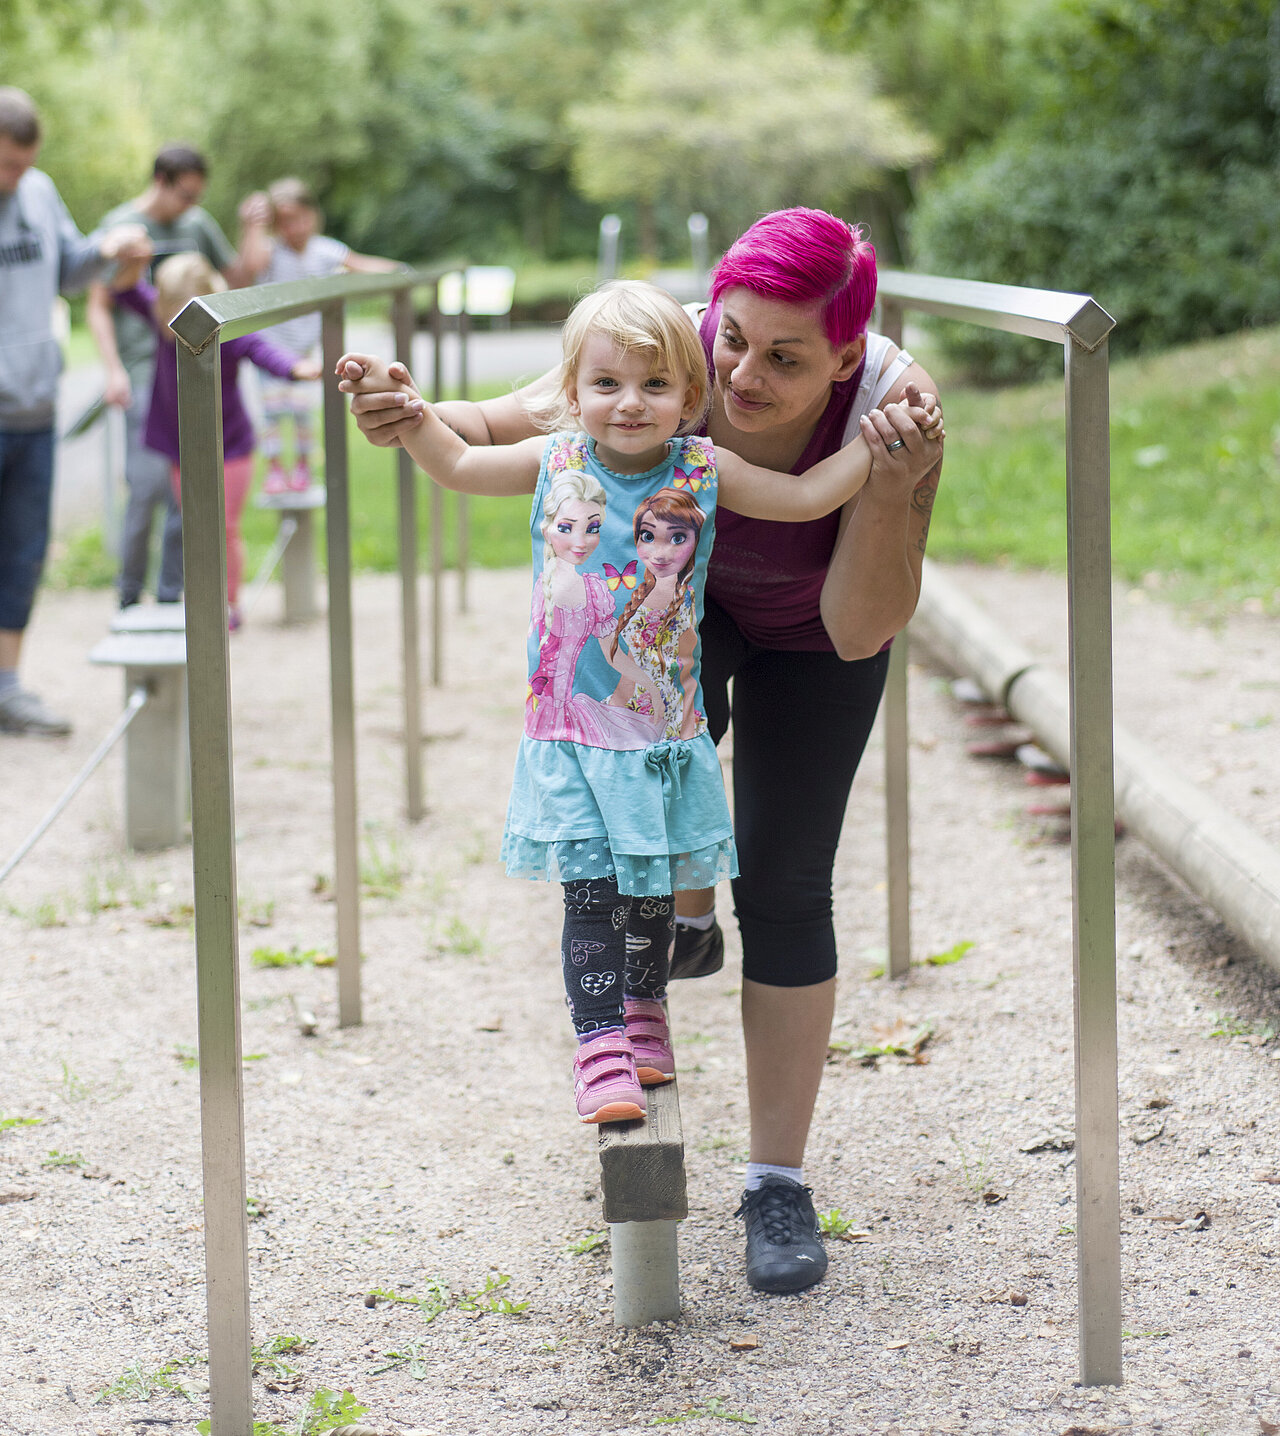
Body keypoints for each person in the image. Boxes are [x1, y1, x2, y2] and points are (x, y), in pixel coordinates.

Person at [341, 208, 945, 1294]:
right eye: (733, 341)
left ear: (846, 355)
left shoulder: (889, 411)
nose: (742, 374)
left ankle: (775, 1180)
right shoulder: (666, 352)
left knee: (788, 885)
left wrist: (892, 480)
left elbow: (859, 626)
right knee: (638, 780)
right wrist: (404, 410)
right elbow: (507, 421)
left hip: (819, 633)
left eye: (785, 359)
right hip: (669, 623)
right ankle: (676, 933)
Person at [0, 87, 152, 736]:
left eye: (25, 164)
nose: (17, 177)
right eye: (7, 165)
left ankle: (7, 688)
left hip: (34, 408)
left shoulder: (38, 191)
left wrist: (111, 250)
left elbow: (67, 270)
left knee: (23, 554)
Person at [110, 253, 321, 630]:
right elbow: (123, 289)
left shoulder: (227, 334)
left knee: (224, 527)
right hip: (183, 447)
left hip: (230, 446)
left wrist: (295, 367)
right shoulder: (159, 320)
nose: (180, 327)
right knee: (195, 529)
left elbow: (261, 349)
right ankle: (202, 603)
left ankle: (228, 604)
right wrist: (133, 258)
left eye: (187, 317)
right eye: (173, 317)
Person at [86, 143, 251, 611]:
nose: (192, 205)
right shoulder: (120, 226)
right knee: (145, 486)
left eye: (198, 196)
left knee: (188, 492)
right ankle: (128, 594)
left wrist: (251, 230)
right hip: (142, 371)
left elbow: (234, 280)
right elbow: (99, 305)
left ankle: (170, 595)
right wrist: (113, 369)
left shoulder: (197, 224)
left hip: (192, 372)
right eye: (185, 195)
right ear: (161, 181)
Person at [236, 177, 399, 494]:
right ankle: (274, 470)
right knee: (271, 414)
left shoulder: (324, 250)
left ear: (313, 215)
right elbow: (251, 264)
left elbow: (361, 264)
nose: (295, 228)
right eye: (285, 222)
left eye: (300, 219)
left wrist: (401, 271)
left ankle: (302, 468)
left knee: (302, 413)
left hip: (303, 352)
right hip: (269, 352)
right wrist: (255, 224)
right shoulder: (271, 251)